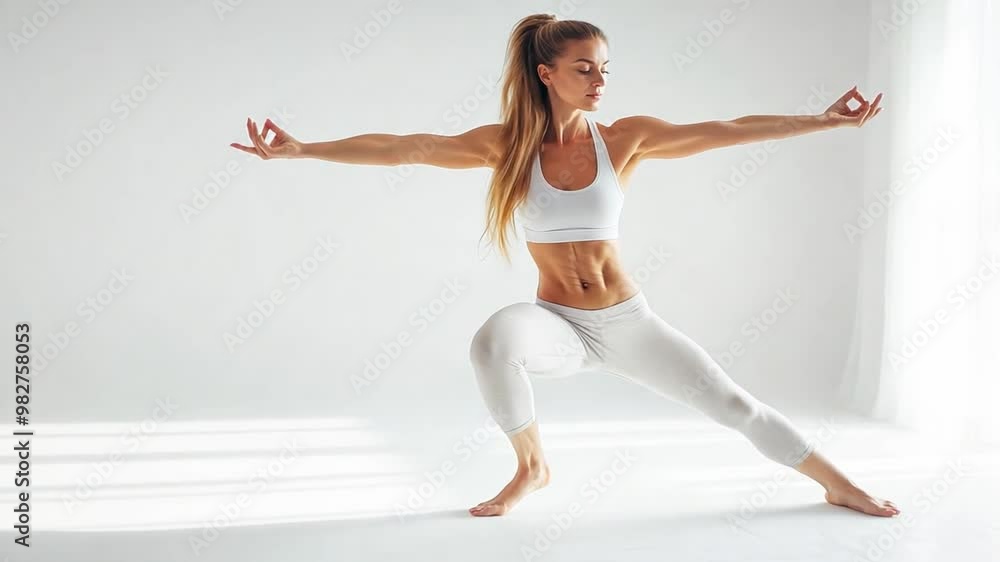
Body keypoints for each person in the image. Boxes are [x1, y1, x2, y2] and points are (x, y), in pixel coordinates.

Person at [231, 13, 895, 519]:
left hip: (629, 324)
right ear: (546, 73)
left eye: (605, 68)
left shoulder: (625, 140)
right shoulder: (508, 148)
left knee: (731, 405)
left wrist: (822, 121)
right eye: (585, 68)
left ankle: (838, 484)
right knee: (493, 341)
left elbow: (727, 128)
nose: (600, 80)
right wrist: (302, 150)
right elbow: (406, 147)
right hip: (558, 325)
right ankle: (533, 467)